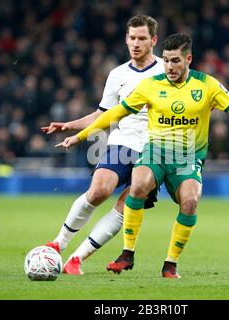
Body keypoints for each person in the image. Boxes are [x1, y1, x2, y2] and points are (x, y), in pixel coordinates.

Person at [55, 33, 229, 278]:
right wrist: (81, 136)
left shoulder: (207, 85)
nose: (170, 66)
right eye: (166, 60)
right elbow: (113, 114)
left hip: (187, 157)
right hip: (154, 153)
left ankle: (170, 264)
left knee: (190, 202)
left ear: (188, 59)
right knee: (138, 185)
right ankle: (127, 253)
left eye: (176, 61)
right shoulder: (150, 86)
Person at [41, 15, 164, 275]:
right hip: (122, 142)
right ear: (126, 39)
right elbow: (102, 114)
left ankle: (77, 259)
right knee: (98, 191)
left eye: (142, 38)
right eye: (132, 38)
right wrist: (71, 126)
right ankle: (57, 244)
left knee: (127, 204)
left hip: (156, 149)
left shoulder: (167, 70)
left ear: (153, 40)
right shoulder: (117, 74)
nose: (136, 43)